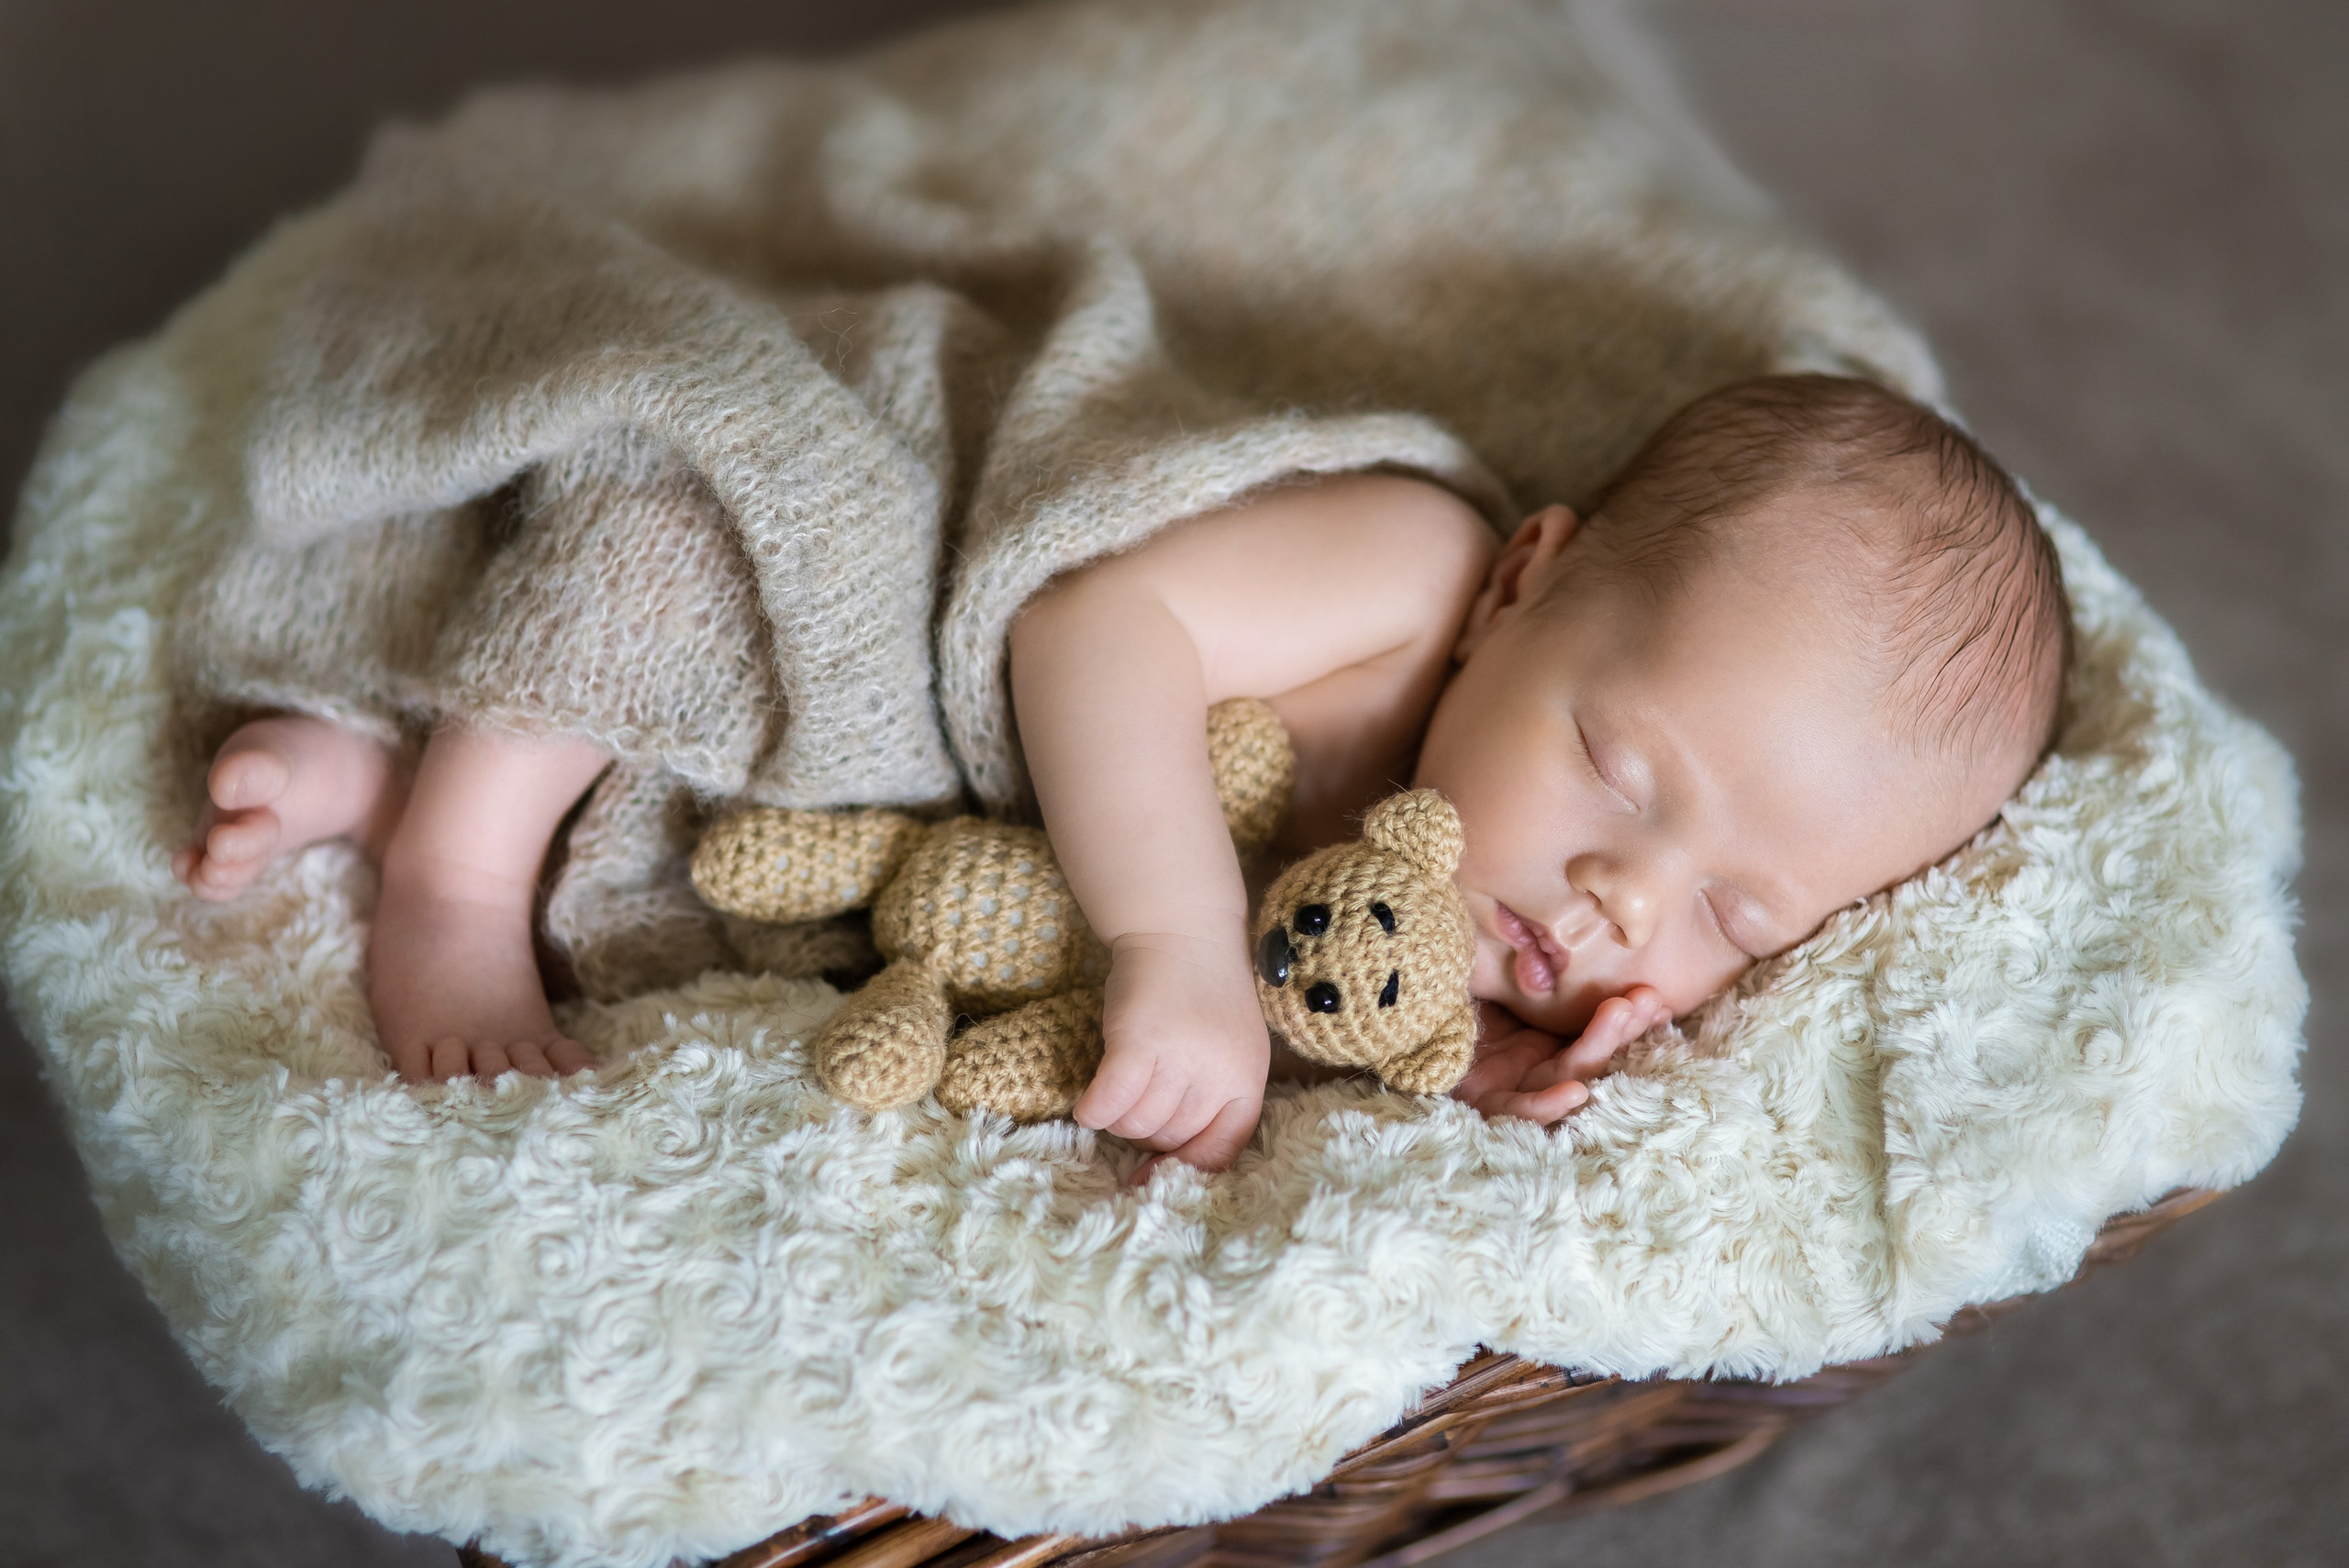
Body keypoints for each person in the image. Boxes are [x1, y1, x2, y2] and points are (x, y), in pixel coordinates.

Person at [173, 373, 2069, 1169]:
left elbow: (1334, 985)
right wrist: (1170, 935)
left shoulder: (1480, 914)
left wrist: (1466, 1056)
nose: (1615, 904)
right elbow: (1085, 631)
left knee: (748, 853)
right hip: (888, 561)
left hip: (862, 809)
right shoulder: (1401, 571)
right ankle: (452, 867)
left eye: (1735, 915)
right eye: (1612, 767)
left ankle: (388, 764)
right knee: (675, 550)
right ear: (1521, 583)